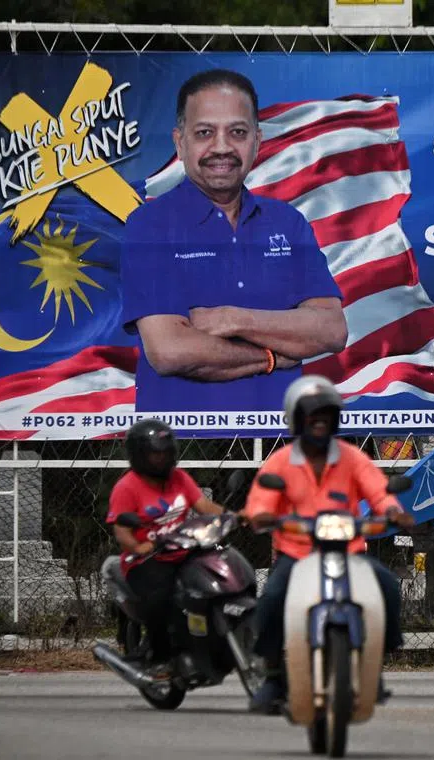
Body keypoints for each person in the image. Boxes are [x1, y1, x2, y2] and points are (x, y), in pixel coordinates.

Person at [119, 68, 348, 415]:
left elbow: (331, 330)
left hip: (278, 438)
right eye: (205, 132)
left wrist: (232, 318)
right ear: (180, 142)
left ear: (257, 140)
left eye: (237, 132)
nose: (222, 147)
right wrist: (271, 357)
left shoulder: (288, 223)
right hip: (183, 441)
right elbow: (170, 351)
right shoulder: (150, 226)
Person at [242, 375, 415, 714]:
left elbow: (379, 492)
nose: (319, 422)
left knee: (386, 586)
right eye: (311, 415)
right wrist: (260, 515)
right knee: (272, 600)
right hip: (297, 553)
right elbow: (261, 500)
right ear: (296, 419)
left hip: (347, 551)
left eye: (326, 415)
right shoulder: (280, 462)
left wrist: (394, 512)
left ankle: (375, 664)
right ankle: (273, 677)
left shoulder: (352, 458)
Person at [105, 418, 225, 677]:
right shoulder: (127, 487)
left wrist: (232, 517)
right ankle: (159, 658)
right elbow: (122, 531)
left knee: (217, 576)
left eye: (164, 453)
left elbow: (204, 507)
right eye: (154, 454)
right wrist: (139, 547)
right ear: (139, 456)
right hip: (147, 559)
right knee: (162, 599)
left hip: (182, 551)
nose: (160, 459)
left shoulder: (179, 478)